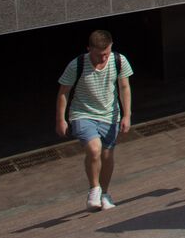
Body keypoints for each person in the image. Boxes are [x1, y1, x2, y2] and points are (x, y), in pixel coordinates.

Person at [56, 30, 132, 211]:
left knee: (107, 156)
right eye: (99, 55)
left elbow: (124, 87)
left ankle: (105, 193)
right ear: (89, 49)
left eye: (106, 53)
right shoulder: (77, 65)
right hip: (83, 114)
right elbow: (63, 93)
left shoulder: (119, 61)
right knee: (94, 148)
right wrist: (61, 119)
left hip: (110, 115)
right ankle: (94, 188)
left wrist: (127, 114)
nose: (103, 58)